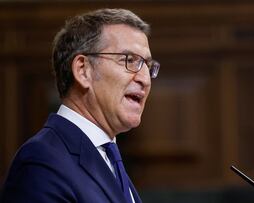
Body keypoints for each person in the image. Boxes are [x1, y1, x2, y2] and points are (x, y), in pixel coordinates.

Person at [1, 8, 159, 203]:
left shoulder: (109, 157)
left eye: (148, 66)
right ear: (83, 70)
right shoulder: (41, 161)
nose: (145, 78)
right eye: (129, 60)